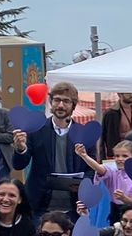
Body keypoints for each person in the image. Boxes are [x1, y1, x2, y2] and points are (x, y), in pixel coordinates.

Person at [10, 81, 91, 214]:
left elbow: (91, 170)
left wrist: (81, 187)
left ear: (73, 105)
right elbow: (19, 165)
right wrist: (20, 149)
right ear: (50, 102)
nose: (60, 105)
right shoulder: (36, 130)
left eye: (66, 101)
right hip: (40, 205)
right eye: (57, 100)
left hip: (74, 206)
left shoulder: (84, 134)